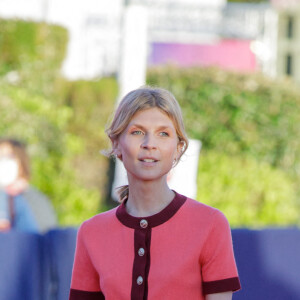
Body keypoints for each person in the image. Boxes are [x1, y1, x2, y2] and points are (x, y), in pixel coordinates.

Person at [69, 87, 241, 300]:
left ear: (178, 148)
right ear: (116, 144)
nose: (150, 144)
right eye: (137, 132)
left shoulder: (211, 224)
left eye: (163, 134)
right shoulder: (91, 232)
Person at [0, 138, 57, 233]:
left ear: (21, 162)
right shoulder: (2, 196)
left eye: (8, 156)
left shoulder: (35, 198)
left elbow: (47, 235)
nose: (3, 161)